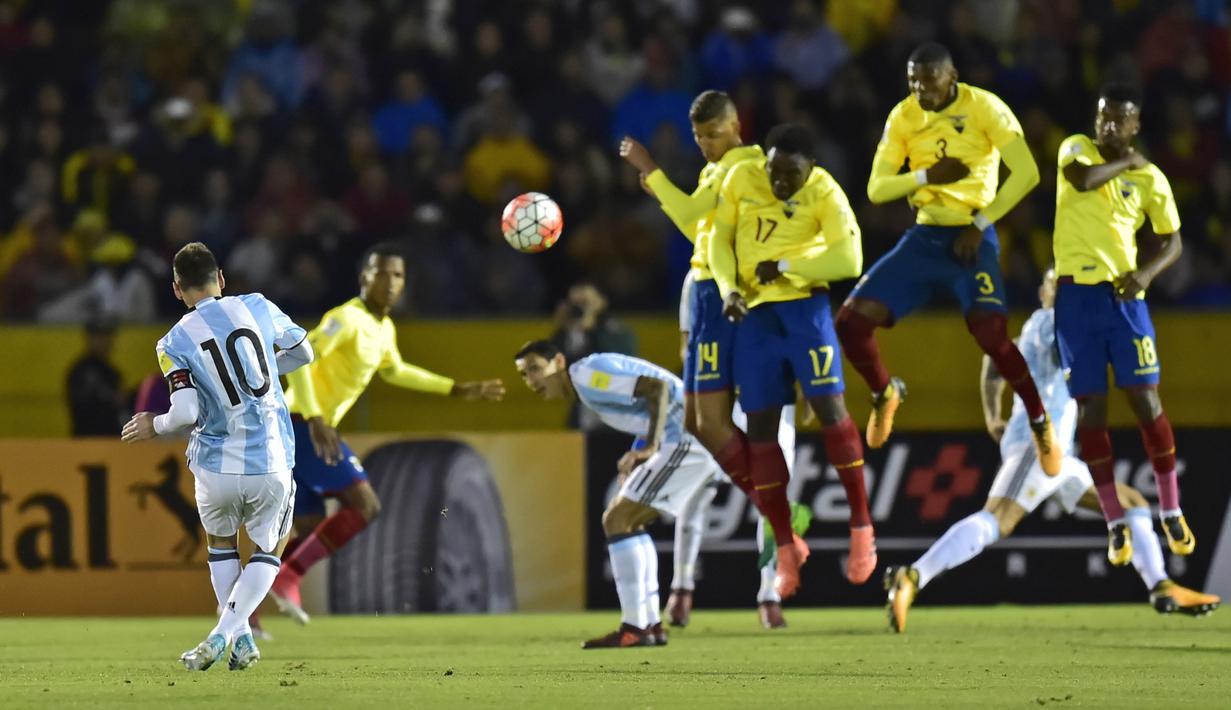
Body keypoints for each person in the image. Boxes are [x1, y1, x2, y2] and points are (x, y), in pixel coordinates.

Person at [884, 269, 1219, 632]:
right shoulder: (1050, 323)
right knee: (998, 519)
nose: (1065, 291)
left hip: (1057, 453)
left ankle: (1162, 586)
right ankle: (914, 575)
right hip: (1038, 445)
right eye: (1058, 284)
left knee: (1132, 503)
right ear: (1045, 291)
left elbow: (993, 363)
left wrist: (992, 415)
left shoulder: (1038, 325)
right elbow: (1046, 354)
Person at [833, 42, 1060, 478]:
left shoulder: (985, 108)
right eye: (913, 81)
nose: (921, 89)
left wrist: (980, 223)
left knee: (991, 336)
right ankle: (884, 393)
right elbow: (876, 189)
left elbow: (1027, 173)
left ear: (951, 76)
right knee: (850, 323)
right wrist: (926, 176)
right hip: (925, 236)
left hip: (973, 234)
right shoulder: (903, 115)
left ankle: (1037, 418)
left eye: (930, 81)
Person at [268, 243, 505, 624]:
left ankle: (242, 610)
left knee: (309, 530)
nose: (390, 282)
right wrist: (314, 417)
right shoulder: (345, 319)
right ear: (364, 276)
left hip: (304, 427)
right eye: (381, 273)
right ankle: (288, 577)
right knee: (366, 505)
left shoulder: (383, 328)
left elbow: (394, 370)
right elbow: (297, 354)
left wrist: (454, 388)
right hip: (299, 424)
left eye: (397, 275)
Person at [620, 90, 802, 569]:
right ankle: (780, 513)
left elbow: (690, 218)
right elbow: (695, 227)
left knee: (711, 422)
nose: (705, 145)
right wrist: (660, 188)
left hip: (718, 293)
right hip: (704, 290)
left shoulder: (743, 168)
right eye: (699, 137)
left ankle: (778, 514)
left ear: (736, 125)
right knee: (705, 424)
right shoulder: (716, 169)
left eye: (713, 135)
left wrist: (650, 167)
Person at [121, 242, 314, 671]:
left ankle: (240, 640)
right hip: (271, 456)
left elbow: (186, 413)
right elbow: (305, 352)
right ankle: (224, 634)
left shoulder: (172, 341)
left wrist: (154, 424)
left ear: (176, 289)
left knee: (221, 546)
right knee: (268, 550)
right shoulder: (258, 306)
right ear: (221, 279)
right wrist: (262, 367)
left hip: (214, 464)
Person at [708, 122, 875, 595]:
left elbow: (850, 260)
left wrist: (785, 266)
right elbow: (719, 240)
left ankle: (862, 529)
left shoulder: (825, 192)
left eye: (790, 174)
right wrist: (729, 289)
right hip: (756, 319)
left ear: (812, 169)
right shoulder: (742, 181)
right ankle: (785, 548)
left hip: (806, 311)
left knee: (830, 411)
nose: (779, 181)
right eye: (774, 170)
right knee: (759, 428)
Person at [1051, 84, 1192, 565]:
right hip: (1074, 301)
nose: (1107, 125)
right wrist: (1130, 164)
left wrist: (1146, 274)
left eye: (1119, 119)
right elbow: (1083, 180)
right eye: (1103, 116)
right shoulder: (1076, 148)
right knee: (1091, 412)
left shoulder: (1151, 178)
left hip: (1121, 299)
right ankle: (1114, 521)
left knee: (1145, 399)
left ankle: (1171, 508)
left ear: (1136, 125)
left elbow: (1173, 240)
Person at [514, 340, 717, 648]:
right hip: (687, 436)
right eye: (524, 376)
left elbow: (657, 389)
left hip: (686, 437)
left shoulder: (586, 377)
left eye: (535, 370)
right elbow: (647, 407)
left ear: (558, 361)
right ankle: (649, 625)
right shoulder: (586, 384)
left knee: (617, 519)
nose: (531, 382)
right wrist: (638, 450)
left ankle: (635, 627)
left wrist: (650, 447)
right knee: (628, 522)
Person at [669, 270, 810, 629]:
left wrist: (808, 388)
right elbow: (688, 346)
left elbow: (801, 336)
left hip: (772, 403)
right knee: (695, 495)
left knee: (772, 496)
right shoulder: (701, 273)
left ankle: (769, 595)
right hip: (720, 401)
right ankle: (681, 588)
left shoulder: (781, 266)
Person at [66, 315, 126, 437]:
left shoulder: (112, 372)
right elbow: (80, 408)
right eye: (99, 336)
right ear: (89, 338)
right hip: (87, 440)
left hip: (111, 441)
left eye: (107, 336)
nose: (105, 341)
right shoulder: (80, 371)